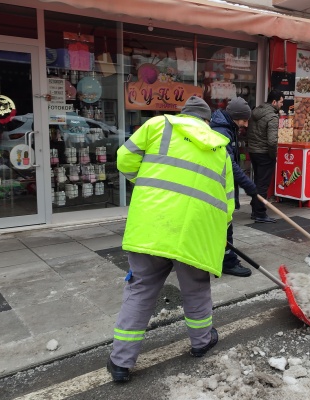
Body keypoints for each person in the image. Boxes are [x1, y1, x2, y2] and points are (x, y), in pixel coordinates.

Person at [107, 96, 235, 382]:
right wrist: (219, 231)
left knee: (140, 290)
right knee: (197, 289)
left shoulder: (157, 126)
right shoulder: (219, 148)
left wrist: (146, 183)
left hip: (152, 225)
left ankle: (120, 363)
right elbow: (227, 204)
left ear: (183, 114)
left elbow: (123, 159)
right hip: (195, 233)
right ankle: (202, 342)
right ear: (206, 121)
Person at [210, 97, 257, 277]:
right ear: (235, 117)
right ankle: (227, 262)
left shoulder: (226, 127)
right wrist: (249, 186)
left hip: (219, 184)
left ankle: (219, 259)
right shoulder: (222, 131)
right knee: (225, 224)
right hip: (219, 187)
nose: (245, 124)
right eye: (244, 120)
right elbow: (229, 163)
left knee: (222, 225)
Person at [246, 89, 284, 223]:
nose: (281, 105)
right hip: (264, 154)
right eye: (280, 102)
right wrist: (273, 155)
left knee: (257, 181)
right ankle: (260, 213)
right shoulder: (272, 117)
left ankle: (254, 209)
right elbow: (272, 141)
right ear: (274, 102)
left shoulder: (256, 111)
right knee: (263, 184)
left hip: (254, 151)